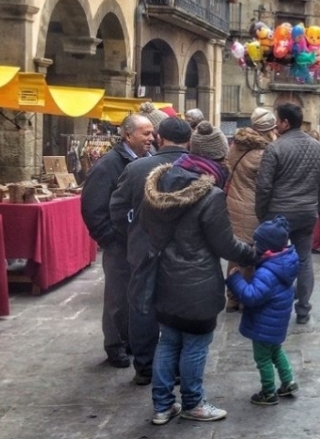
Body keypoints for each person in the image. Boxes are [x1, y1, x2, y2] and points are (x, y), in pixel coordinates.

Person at [140, 121, 257, 425]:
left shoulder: (160, 184)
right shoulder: (211, 195)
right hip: (197, 282)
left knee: (168, 341)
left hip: (165, 276)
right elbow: (225, 245)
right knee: (195, 343)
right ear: (217, 157)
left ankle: (162, 406)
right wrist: (252, 254)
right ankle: (193, 403)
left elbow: (147, 227)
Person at [109, 117, 192, 385]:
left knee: (142, 306)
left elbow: (117, 209)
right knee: (180, 306)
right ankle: (176, 367)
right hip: (185, 251)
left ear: (159, 138)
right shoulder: (197, 168)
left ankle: (145, 367)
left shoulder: (136, 168)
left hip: (144, 247)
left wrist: (134, 232)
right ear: (189, 140)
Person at [81, 113, 153, 369]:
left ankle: (130, 339)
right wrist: (109, 238)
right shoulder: (108, 165)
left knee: (135, 295)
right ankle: (115, 345)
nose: (151, 138)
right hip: (119, 243)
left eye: (152, 133)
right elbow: (92, 207)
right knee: (117, 297)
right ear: (128, 135)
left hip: (139, 242)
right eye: (146, 133)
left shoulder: (148, 159)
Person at [255, 103, 320, 325]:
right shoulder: (319, 148)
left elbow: (264, 186)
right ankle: (303, 310)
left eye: (277, 120)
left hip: (278, 212)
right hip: (306, 212)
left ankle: (267, 305)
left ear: (285, 123)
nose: (275, 125)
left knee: (268, 259)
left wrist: (261, 213)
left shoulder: (274, 148)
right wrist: (313, 203)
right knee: (304, 260)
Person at [225, 215, 300, 406]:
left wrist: (235, 280)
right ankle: (288, 381)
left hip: (264, 324)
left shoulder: (267, 272)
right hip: (277, 321)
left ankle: (268, 392)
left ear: (266, 248)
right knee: (276, 351)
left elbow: (251, 296)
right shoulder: (283, 263)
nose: (254, 246)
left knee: (263, 359)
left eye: (257, 243)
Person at [224, 107, 277, 312]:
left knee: (235, 252)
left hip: (232, 203)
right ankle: (244, 296)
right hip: (252, 206)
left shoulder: (236, 145)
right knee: (249, 254)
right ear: (268, 129)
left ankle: (231, 298)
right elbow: (266, 184)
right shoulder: (263, 153)